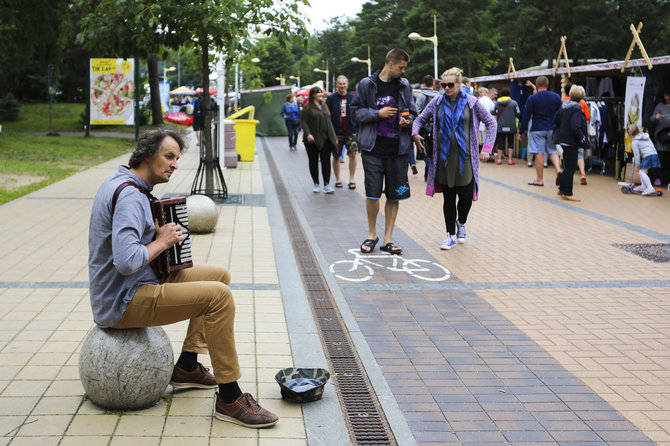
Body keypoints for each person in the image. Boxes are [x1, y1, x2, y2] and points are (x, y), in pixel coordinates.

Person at [88, 129, 278, 428]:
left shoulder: (123, 182)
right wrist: (162, 241)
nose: (175, 164)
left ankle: (187, 365)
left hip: (141, 282)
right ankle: (229, 397)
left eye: (177, 158)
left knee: (219, 276)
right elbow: (126, 261)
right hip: (123, 300)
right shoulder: (129, 197)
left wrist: (160, 238)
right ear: (147, 156)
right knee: (218, 297)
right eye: (169, 157)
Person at [412, 67, 497, 250]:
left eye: (450, 85)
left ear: (459, 84)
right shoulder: (436, 102)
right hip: (443, 158)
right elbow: (420, 119)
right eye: (443, 85)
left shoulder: (472, 102)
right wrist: (414, 133)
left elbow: (491, 122)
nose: (447, 88)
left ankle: (462, 222)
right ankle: (449, 235)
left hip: (466, 157)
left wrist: (487, 148)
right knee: (449, 198)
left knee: (466, 197)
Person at [350, 47, 417, 255]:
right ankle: (372, 234)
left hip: (399, 149)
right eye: (401, 67)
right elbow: (355, 112)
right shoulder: (367, 85)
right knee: (372, 194)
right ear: (390, 64)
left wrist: (408, 121)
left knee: (394, 196)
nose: (403, 71)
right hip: (373, 148)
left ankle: (388, 238)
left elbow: (413, 112)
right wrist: (377, 113)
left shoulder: (404, 86)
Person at [518, 76, 563, 186]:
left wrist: (521, 131)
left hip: (537, 129)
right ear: (547, 85)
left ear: (537, 85)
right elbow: (561, 113)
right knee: (553, 151)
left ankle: (539, 179)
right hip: (552, 128)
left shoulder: (532, 98)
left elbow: (526, 116)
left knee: (539, 153)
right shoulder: (556, 97)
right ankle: (558, 169)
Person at [554, 85, 589, 202]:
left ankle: (561, 188)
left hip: (562, 139)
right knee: (571, 167)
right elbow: (575, 126)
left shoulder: (564, 106)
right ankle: (567, 193)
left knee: (568, 165)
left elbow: (556, 121)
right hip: (571, 141)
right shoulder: (576, 108)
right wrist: (583, 139)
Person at [300, 86, 338, 194]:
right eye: (318, 93)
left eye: (321, 93)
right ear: (313, 95)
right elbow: (303, 122)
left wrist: (333, 137)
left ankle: (326, 184)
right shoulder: (307, 107)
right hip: (312, 140)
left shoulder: (324, 106)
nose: (321, 95)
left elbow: (329, 123)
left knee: (326, 161)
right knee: (313, 161)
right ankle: (316, 183)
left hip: (325, 138)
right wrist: (308, 134)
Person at [326, 75, 359, 189]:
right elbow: (327, 117)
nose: (342, 86)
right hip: (336, 132)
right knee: (335, 156)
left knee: (353, 155)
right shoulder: (330, 99)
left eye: (344, 83)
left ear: (347, 84)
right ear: (336, 85)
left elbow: (357, 114)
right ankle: (338, 179)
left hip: (351, 131)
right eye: (340, 84)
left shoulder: (353, 98)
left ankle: (352, 179)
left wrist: (357, 128)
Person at [562, 83, 591, 185]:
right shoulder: (581, 104)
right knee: (579, 156)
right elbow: (587, 117)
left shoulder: (564, 102)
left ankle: (563, 185)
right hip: (576, 136)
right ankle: (582, 174)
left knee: (568, 161)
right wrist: (583, 138)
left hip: (564, 136)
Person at [415, 74, 441, 181]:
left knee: (425, 148)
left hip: (424, 127)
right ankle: (432, 174)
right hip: (437, 126)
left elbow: (417, 110)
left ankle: (428, 174)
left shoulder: (421, 95)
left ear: (424, 84)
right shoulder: (439, 95)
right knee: (436, 149)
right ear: (434, 83)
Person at [628, 124, 662, 195]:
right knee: (642, 170)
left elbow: (637, 155)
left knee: (641, 172)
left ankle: (650, 188)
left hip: (648, 156)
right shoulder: (645, 135)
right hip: (654, 154)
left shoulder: (634, 142)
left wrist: (637, 165)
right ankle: (643, 186)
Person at [491, 87, 521, 165]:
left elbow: (493, 112)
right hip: (511, 125)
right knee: (510, 143)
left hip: (500, 125)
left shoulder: (497, 103)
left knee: (501, 143)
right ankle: (510, 160)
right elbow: (518, 113)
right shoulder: (514, 103)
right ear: (509, 94)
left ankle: (499, 160)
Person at [649, 88, 670, 184]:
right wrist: (656, 117)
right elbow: (651, 119)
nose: (668, 98)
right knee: (660, 158)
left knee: (668, 160)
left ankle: (667, 179)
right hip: (661, 137)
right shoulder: (660, 106)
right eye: (666, 95)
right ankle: (658, 178)